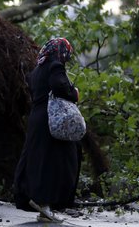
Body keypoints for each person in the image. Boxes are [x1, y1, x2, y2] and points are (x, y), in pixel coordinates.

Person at [14, 37, 82, 222]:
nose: (65, 58)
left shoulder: (36, 70)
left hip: (37, 120)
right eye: (65, 53)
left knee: (38, 159)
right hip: (52, 121)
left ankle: (41, 205)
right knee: (62, 162)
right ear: (59, 51)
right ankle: (47, 204)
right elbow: (60, 86)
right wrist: (74, 92)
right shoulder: (54, 66)